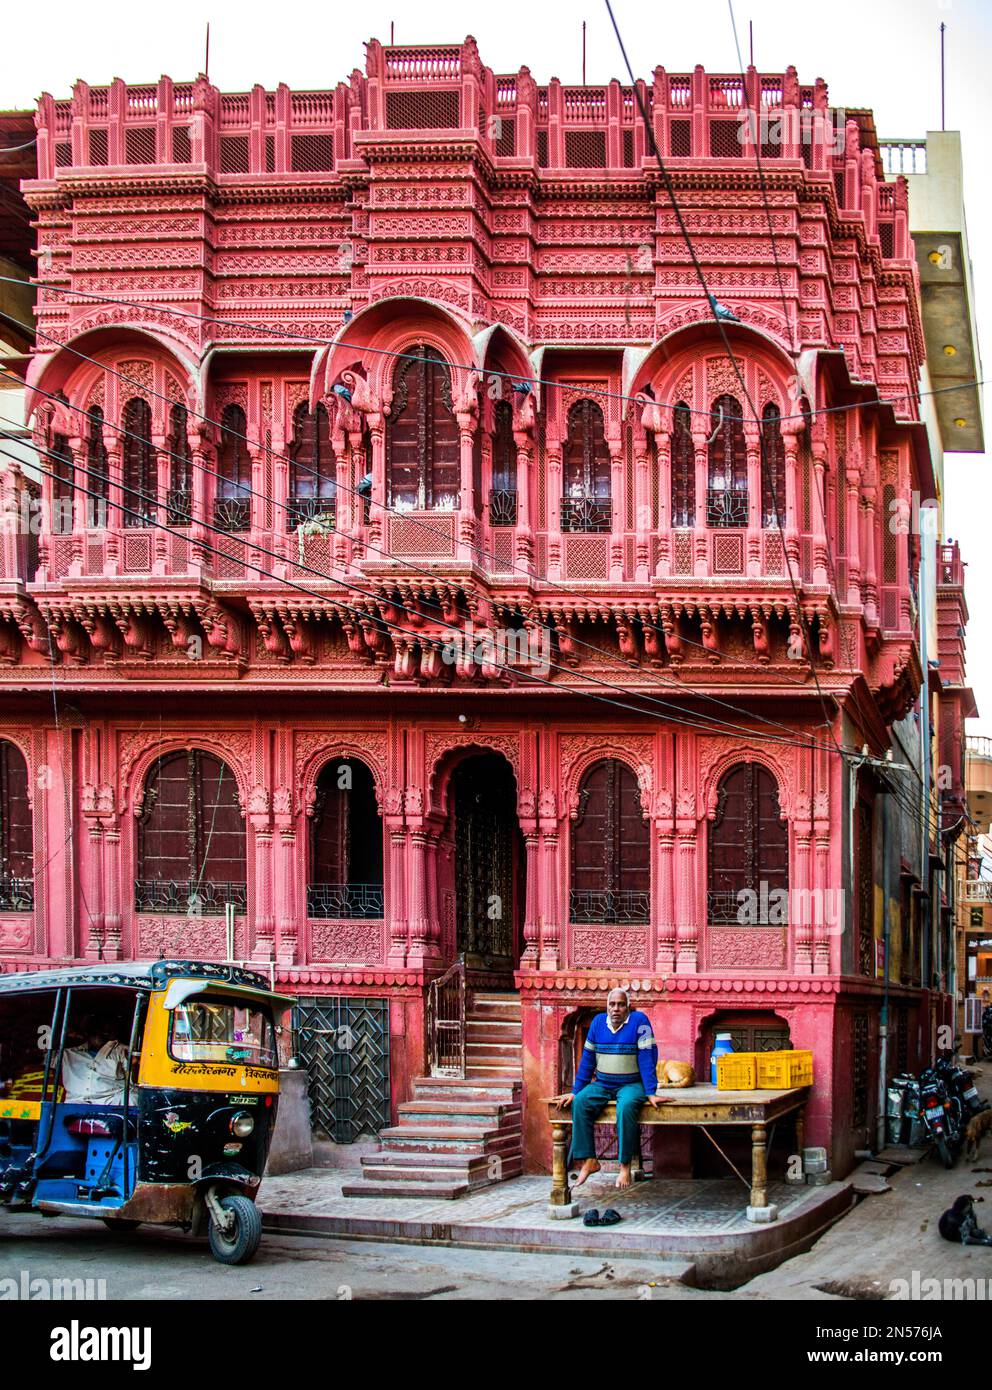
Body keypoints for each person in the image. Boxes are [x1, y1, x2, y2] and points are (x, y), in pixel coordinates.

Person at [551, 988, 672, 1191]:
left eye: (621, 1004)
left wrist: (650, 1091)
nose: (616, 1009)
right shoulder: (598, 1023)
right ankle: (590, 1160)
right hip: (603, 1084)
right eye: (612, 1004)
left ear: (628, 1007)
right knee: (580, 1102)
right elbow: (588, 1061)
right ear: (607, 1007)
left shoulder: (639, 1021)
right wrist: (575, 1091)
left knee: (625, 1107)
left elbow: (647, 1057)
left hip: (632, 1084)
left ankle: (624, 1165)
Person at [60, 1014, 128, 1105]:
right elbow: (40, 1055)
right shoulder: (67, 1053)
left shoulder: (123, 1051)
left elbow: (133, 1083)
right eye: (96, 1030)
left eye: (106, 1030)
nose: (102, 1033)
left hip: (111, 1102)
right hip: (76, 1103)